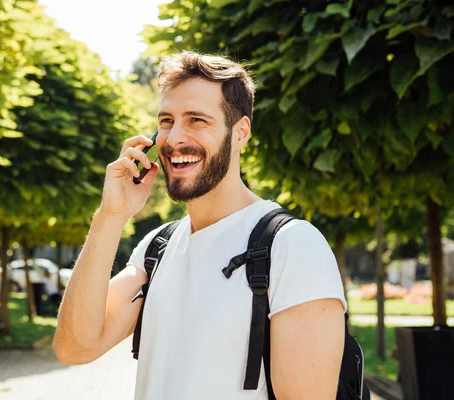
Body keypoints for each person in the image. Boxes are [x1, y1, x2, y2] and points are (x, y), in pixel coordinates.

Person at [53, 51, 347, 400]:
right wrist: (110, 216)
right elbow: (74, 347)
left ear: (240, 133)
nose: (174, 138)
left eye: (196, 120)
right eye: (166, 121)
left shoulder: (293, 247)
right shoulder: (156, 248)